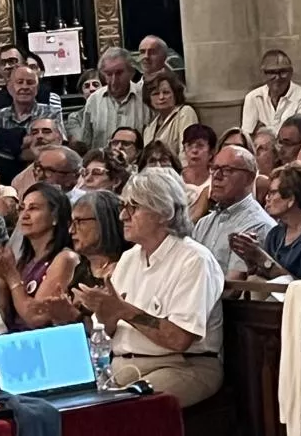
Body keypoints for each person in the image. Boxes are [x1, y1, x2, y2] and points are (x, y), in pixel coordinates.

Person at [74, 167, 226, 407]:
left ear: (163, 212)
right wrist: (104, 311)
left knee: (128, 409)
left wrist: (124, 310)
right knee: (72, 404)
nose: (123, 216)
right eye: (123, 207)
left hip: (182, 365)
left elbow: (179, 339)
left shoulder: (194, 260)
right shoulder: (129, 259)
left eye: (132, 208)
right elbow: (105, 331)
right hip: (123, 364)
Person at [0, 182, 76, 333]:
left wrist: (12, 277)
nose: (24, 215)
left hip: (43, 342)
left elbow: (35, 318)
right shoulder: (25, 260)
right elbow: (6, 317)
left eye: (33, 208)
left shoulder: (65, 258)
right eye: (22, 209)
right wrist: (0, 277)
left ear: (55, 217)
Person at [229, 161, 301, 279]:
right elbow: (264, 276)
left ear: (291, 199)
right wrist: (250, 258)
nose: (267, 198)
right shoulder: (274, 234)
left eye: (273, 193)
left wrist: (261, 257)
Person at [191, 144, 274, 274]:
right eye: (214, 168)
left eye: (227, 170)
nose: (217, 176)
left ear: (249, 178)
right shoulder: (204, 223)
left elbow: (235, 288)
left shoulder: (257, 225)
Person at [0, 63, 61, 184]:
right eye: (20, 82)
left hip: (43, 179)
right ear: (10, 87)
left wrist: (7, 149)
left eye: (30, 83)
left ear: (37, 88)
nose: (25, 87)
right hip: (4, 181)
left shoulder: (51, 113)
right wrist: (25, 147)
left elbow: (53, 150)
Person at [77, 46, 152, 151]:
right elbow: (86, 144)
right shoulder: (94, 101)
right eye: (109, 74)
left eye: (119, 73)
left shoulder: (145, 98)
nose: (114, 80)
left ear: (131, 73)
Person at [240, 49, 301, 134]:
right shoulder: (252, 97)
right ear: (263, 74)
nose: (277, 77)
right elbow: (247, 135)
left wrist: (263, 131)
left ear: (291, 72)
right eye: (271, 72)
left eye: (282, 71)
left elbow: (299, 134)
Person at [141, 69, 199, 157]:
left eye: (166, 92)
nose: (161, 97)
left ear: (175, 94)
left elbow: (187, 152)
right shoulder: (149, 127)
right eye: (156, 94)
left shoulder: (185, 112)